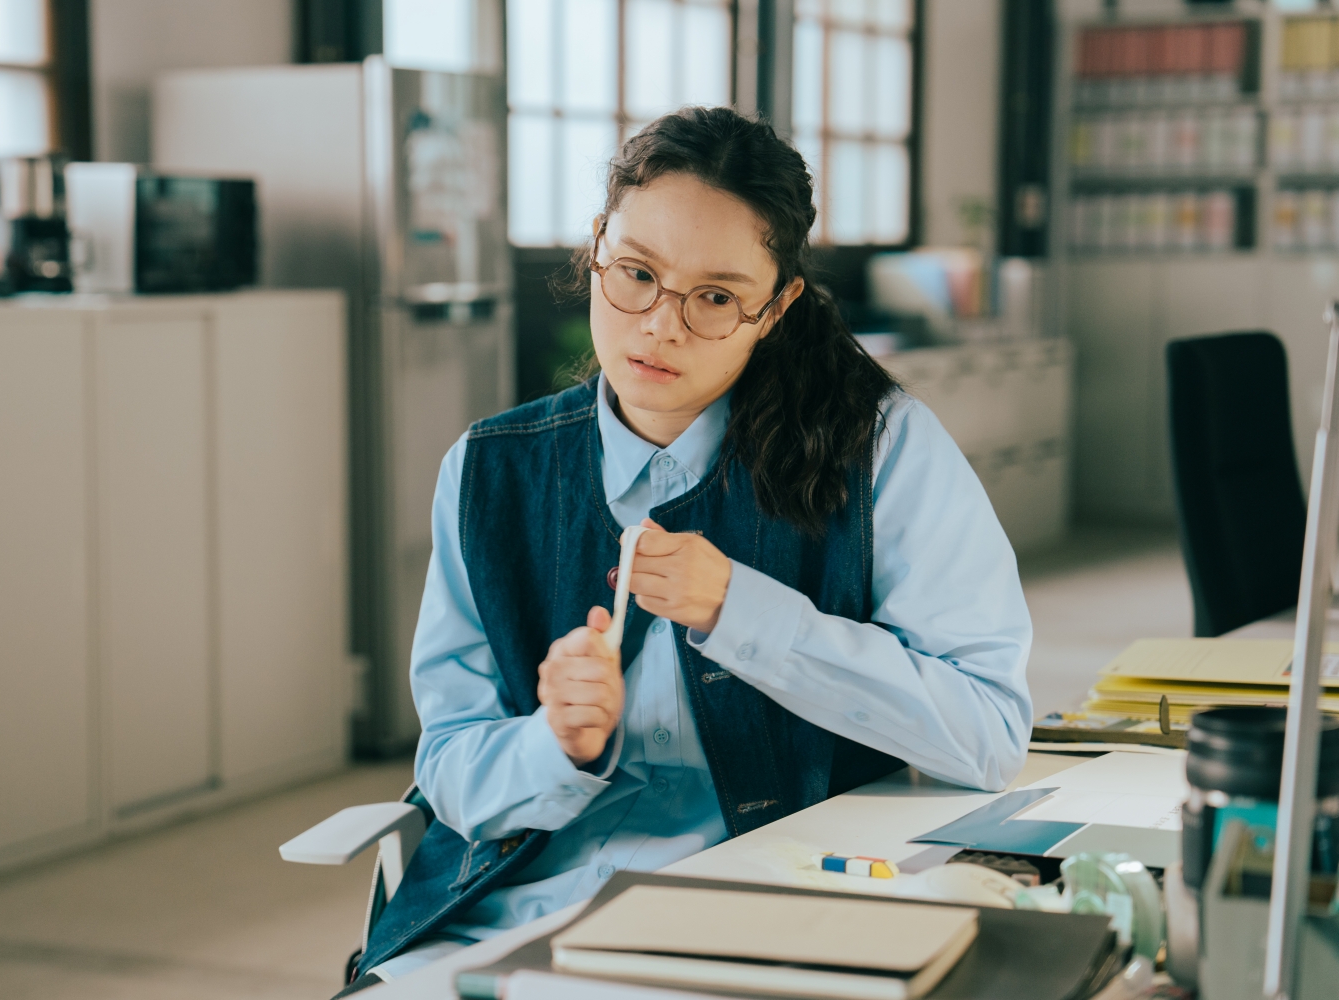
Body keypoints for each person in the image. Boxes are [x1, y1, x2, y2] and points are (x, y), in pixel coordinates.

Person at [344, 106, 1032, 992]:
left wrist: (743, 616)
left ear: (775, 307)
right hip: (523, 917)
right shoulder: (489, 471)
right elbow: (450, 767)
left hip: (769, 908)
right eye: (635, 273)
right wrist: (556, 745)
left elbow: (988, 733)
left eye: (714, 297)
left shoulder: (881, 448)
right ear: (597, 247)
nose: (660, 326)